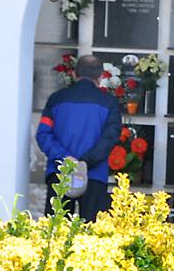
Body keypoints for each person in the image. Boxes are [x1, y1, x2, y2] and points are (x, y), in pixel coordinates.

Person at [35, 54, 122, 221]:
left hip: (60, 173)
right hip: (94, 174)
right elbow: (110, 137)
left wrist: (65, 158)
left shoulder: (56, 99)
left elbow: (44, 134)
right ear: (101, 76)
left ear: (74, 74)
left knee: (56, 231)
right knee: (91, 231)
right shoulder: (109, 102)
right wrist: (86, 162)